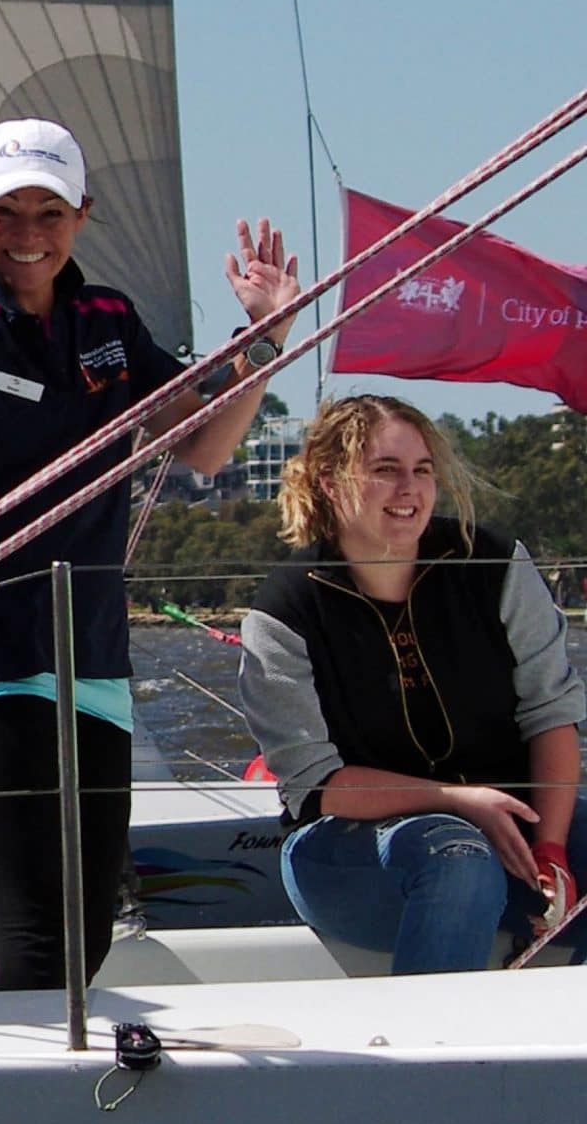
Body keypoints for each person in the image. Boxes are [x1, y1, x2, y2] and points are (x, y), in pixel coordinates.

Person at [0, 119, 296, 992]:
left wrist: (263, 339)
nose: (29, 233)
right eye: (8, 212)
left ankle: (34, 1102)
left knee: (87, 932)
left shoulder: (109, 318)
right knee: (34, 930)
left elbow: (203, 447)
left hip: (93, 652)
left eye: (50, 210)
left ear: (82, 213)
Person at [240, 396, 586, 972]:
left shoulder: (496, 564)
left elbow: (550, 711)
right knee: (458, 852)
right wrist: (459, 802)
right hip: (349, 853)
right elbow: (317, 784)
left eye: (422, 471)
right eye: (385, 470)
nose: (410, 489)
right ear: (329, 482)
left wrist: (550, 848)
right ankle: (435, 1053)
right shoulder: (284, 610)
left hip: (515, 829)